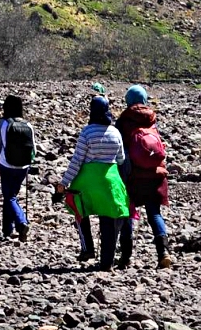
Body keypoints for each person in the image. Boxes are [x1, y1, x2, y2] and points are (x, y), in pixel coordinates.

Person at [56, 95, 130, 271]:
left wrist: (64, 183)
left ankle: (87, 247)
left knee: (79, 209)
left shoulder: (87, 132)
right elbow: (121, 159)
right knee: (109, 219)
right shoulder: (115, 132)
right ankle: (107, 263)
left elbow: (77, 161)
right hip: (110, 181)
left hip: (87, 182)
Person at [115, 85, 172, 269]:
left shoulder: (123, 121)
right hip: (155, 174)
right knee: (154, 212)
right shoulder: (152, 119)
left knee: (128, 213)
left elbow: (119, 149)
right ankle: (163, 252)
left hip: (132, 176)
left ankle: (126, 257)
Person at [0, 94, 36, 241]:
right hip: (23, 166)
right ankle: (7, 229)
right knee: (11, 196)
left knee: (9, 196)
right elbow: (33, 150)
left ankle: (21, 222)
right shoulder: (28, 125)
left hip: (7, 164)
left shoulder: (2, 123)